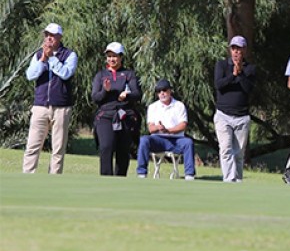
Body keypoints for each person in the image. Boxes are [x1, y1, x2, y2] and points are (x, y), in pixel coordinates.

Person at [22, 23, 79, 174]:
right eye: (47, 35)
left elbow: (66, 73)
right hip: (40, 106)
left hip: (61, 107)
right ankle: (27, 177)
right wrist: (42, 59)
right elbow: (30, 75)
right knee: (33, 146)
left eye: (52, 35)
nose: (49, 38)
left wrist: (52, 58)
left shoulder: (69, 55)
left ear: (59, 37)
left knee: (58, 149)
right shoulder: (38, 55)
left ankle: (53, 180)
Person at [90, 42, 142, 176]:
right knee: (106, 147)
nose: (111, 59)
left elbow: (137, 94)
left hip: (125, 115)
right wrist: (105, 91)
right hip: (105, 115)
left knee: (123, 150)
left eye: (114, 56)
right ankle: (106, 179)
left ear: (121, 57)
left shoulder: (128, 74)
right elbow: (96, 97)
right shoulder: (100, 75)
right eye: (109, 56)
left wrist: (127, 95)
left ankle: (120, 180)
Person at [214, 35, 256, 183]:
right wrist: (233, 75)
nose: (236, 52)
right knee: (225, 149)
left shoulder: (250, 69)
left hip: (242, 117)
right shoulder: (222, 65)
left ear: (244, 50)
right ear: (230, 50)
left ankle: (237, 180)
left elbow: (248, 88)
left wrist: (241, 72)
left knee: (239, 153)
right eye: (233, 48)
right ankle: (229, 179)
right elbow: (219, 85)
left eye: (239, 48)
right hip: (223, 115)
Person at [136, 79, 195, 180]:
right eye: (159, 91)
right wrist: (158, 128)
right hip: (158, 139)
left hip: (176, 140)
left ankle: (189, 175)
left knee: (188, 143)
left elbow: (183, 125)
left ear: (170, 91)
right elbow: (151, 128)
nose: (162, 93)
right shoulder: (153, 107)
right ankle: (141, 173)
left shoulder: (179, 106)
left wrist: (168, 130)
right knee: (144, 140)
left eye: (164, 90)